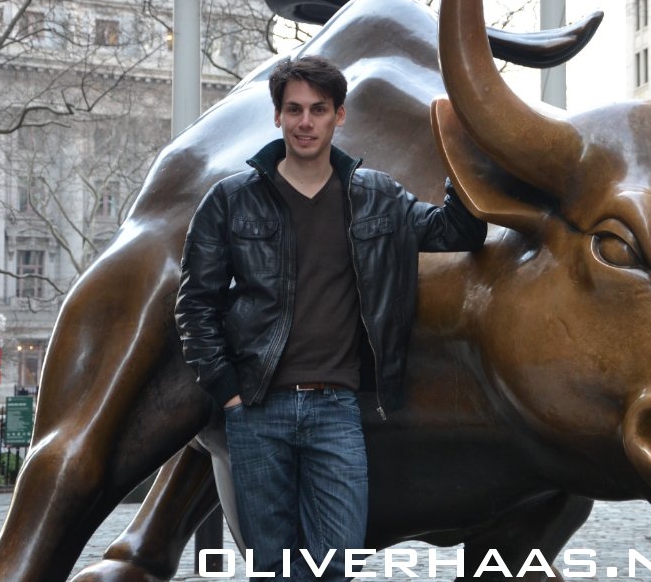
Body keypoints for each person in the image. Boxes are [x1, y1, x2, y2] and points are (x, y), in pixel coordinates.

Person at [175, 55, 487, 579]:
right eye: (294, 109)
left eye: (318, 109)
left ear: (339, 116)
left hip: (337, 411)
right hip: (257, 410)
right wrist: (227, 391)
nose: (305, 121)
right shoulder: (230, 201)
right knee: (273, 567)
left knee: (336, 564)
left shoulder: (378, 197)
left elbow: (458, 232)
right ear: (277, 116)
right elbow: (195, 304)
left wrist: (464, 141)